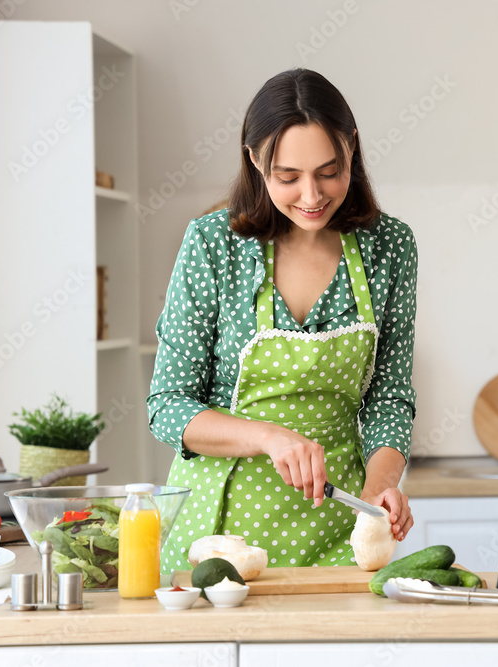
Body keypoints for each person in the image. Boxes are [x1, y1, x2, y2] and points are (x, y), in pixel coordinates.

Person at [147, 69, 417, 574]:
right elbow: (168, 405)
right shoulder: (214, 245)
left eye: (329, 171)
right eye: (288, 177)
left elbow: (389, 397)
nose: (311, 195)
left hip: (339, 532)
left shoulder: (390, 248)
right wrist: (269, 437)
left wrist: (381, 487)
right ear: (254, 160)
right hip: (217, 541)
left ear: (352, 149)